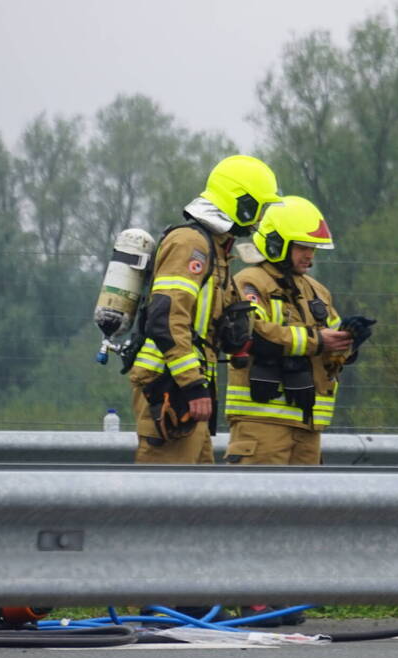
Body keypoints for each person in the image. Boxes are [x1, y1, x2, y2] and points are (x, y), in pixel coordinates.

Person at [129, 155, 282, 465]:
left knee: (200, 491)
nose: (258, 218)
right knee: (167, 491)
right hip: (168, 385)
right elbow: (166, 318)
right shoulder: (190, 244)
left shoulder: (215, 250)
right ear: (241, 203)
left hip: (186, 387)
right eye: (257, 207)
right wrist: (192, 383)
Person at [224, 195, 365, 466]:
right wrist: (317, 340)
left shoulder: (316, 290)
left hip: (308, 427)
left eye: (312, 247)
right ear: (276, 243)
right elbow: (254, 333)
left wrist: (348, 342)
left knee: (306, 496)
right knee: (259, 495)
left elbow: (330, 348)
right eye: (302, 246)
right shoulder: (249, 282)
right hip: (262, 425)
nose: (309, 255)